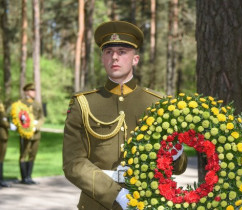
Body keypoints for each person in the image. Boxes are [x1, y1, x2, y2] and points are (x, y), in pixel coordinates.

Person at [63, 20, 187, 210]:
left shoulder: (159, 103)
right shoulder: (83, 103)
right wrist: (117, 194)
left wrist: (177, 154)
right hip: (98, 203)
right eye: (108, 52)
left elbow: (179, 168)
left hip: (149, 202)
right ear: (103, 59)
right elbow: (73, 163)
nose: (114, 58)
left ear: (135, 59)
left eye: (122, 52)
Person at [18, 83, 45, 184]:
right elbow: (17, 116)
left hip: (36, 133)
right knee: (24, 154)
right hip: (25, 133)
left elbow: (42, 117)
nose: (33, 92)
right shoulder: (21, 103)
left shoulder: (37, 103)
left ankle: (29, 176)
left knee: (33, 154)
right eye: (31, 90)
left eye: (34, 90)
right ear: (26, 92)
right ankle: (24, 177)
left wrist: (37, 126)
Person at [0, 101, 11, 188]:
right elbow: (2, 120)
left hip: (3, 135)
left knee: (1, 158)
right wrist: (9, 125)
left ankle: (1, 179)